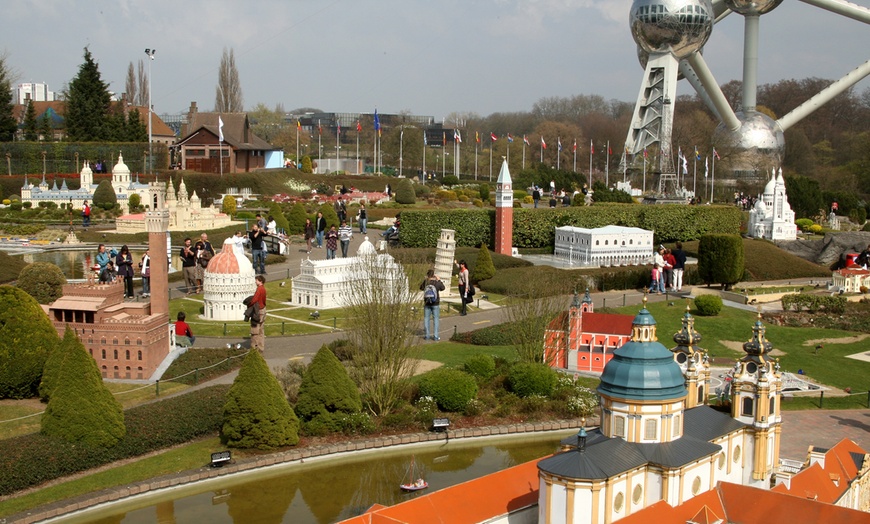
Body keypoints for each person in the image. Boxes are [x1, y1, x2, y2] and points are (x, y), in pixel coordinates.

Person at [420, 269, 446, 340]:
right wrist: (439, 280)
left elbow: (421, 288)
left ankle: (427, 335)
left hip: (427, 303)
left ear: (427, 275)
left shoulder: (426, 282)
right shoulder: (436, 283)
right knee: (436, 319)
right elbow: (443, 288)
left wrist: (425, 280)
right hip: (435, 303)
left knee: (426, 319)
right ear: (433, 275)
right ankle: (436, 336)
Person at [250, 275, 267, 352]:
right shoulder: (263, 289)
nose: (255, 282)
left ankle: (254, 347)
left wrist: (250, 304)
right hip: (263, 310)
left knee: (255, 330)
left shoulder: (259, 289)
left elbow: (254, 300)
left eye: (256, 280)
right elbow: (264, 301)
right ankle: (261, 347)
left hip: (258, 311)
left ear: (260, 281)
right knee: (261, 330)